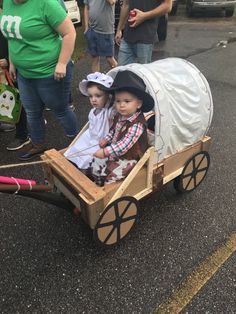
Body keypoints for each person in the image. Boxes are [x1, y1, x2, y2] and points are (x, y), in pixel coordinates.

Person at [0, 0, 78, 160]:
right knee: (32, 111)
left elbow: (70, 33)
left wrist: (62, 63)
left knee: (60, 109)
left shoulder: (45, 3)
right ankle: (38, 143)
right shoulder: (7, 2)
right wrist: (13, 62)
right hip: (24, 73)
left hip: (50, 71)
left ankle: (76, 145)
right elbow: (12, 34)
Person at [89, 70, 154, 186]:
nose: (121, 105)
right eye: (118, 101)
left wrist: (105, 151)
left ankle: (107, 192)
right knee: (96, 162)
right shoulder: (119, 116)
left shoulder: (137, 124)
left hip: (129, 158)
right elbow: (114, 130)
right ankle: (97, 185)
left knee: (113, 175)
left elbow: (124, 145)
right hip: (114, 152)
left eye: (127, 101)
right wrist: (107, 138)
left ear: (138, 104)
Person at [64, 72, 115, 172]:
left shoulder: (109, 112)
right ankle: (74, 164)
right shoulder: (93, 111)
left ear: (108, 96)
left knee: (90, 155)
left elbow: (116, 109)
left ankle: (85, 170)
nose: (93, 100)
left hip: (102, 141)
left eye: (98, 96)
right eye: (91, 96)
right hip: (91, 136)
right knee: (77, 148)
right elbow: (92, 126)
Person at [0, 23, 30, 150]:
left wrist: (8, 59)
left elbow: (19, 42)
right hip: (6, 68)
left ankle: (23, 135)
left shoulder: (6, 21)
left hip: (13, 66)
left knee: (17, 97)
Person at [115, 0, 172, 65]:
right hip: (128, 36)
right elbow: (126, 4)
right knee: (122, 71)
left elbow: (168, 6)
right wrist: (119, 29)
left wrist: (144, 16)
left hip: (146, 37)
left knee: (143, 72)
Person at [83, 0, 118, 72]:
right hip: (92, 30)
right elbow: (86, 7)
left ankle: (120, 78)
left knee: (109, 58)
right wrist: (86, 27)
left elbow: (112, 2)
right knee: (95, 58)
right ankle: (96, 80)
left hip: (106, 30)